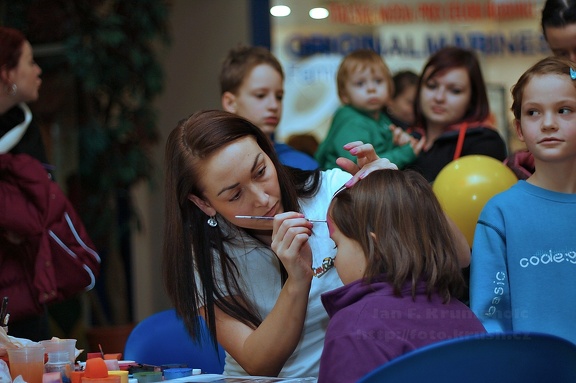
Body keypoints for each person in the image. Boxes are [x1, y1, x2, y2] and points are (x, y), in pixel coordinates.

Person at [162, 110, 470, 378]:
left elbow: (457, 257)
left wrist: (397, 186)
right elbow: (259, 364)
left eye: (260, 171)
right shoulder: (205, 255)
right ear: (203, 203)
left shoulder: (334, 193)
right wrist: (298, 279)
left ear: (269, 150)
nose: (262, 198)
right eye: (234, 195)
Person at [318, 169, 486, 383]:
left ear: (375, 246)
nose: (335, 258)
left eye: (336, 245)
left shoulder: (353, 328)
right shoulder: (464, 315)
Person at [0, 26, 101, 342]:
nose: (38, 70)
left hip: (22, 300)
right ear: (7, 73)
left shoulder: (25, 130)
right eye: (30, 62)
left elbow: (40, 213)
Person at [470, 56, 576, 345]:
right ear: (519, 129)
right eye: (533, 113)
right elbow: (490, 316)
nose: (549, 124)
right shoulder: (501, 213)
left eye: (564, 110)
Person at [406, 46, 508, 183]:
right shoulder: (405, 136)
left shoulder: (484, 142)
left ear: (472, 98)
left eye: (455, 90)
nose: (439, 97)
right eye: (431, 86)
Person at [315, 49, 424, 170]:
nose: (371, 88)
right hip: (345, 187)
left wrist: (400, 143)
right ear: (344, 94)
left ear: (389, 87)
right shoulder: (352, 122)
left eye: (378, 81)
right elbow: (360, 166)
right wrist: (404, 153)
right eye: (360, 83)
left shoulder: (380, 118)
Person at [220, 45, 319, 170]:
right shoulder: (216, 163)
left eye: (279, 97)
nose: (274, 105)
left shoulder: (302, 165)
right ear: (230, 103)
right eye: (260, 95)